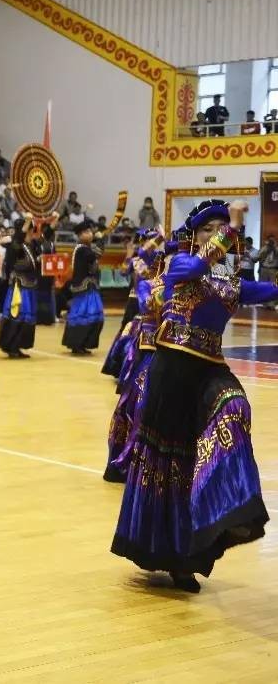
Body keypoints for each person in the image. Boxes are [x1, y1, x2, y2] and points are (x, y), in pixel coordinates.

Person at [111, 200, 275, 593]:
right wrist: (230, 228)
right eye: (208, 228)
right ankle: (178, 560)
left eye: (220, 228)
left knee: (235, 406)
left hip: (208, 370)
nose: (216, 233)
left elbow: (268, 288)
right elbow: (200, 264)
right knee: (172, 466)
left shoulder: (231, 281)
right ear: (195, 236)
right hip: (171, 369)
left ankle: (233, 503)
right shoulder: (178, 266)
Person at [104, 228, 180, 483]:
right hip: (150, 353)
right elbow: (147, 300)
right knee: (139, 404)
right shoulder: (151, 280)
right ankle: (134, 461)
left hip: (176, 358)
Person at [0, 214, 56, 358]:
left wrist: (54, 220)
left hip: (30, 287)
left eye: (31, 230)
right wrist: (27, 220)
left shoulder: (32, 245)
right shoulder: (15, 246)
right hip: (19, 287)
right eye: (28, 230)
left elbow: (45, 236)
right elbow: (18, 239)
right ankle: (10, 346)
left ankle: (18, 346)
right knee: (18, 315)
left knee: (27, 317)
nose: (30, 233)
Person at [102, 229, 161, 377]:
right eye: (149, 240)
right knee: (127, 330)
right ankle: (120, 366)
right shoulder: (135, 261)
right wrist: (128, 255)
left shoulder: (160, 260)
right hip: (134, 300)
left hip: (152, 301)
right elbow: (122, 272)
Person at [61, 219, 106, 354]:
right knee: (84, 315)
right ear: (80, 235)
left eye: (90, 231)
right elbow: (96, 254)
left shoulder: (85, 248)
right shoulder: (81, 249)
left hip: (89, 288)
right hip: (83, 289)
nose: (90, 234)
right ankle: (77, 344)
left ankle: (83, 343)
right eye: (87, 232)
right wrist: (100, 240)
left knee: (93, 315)